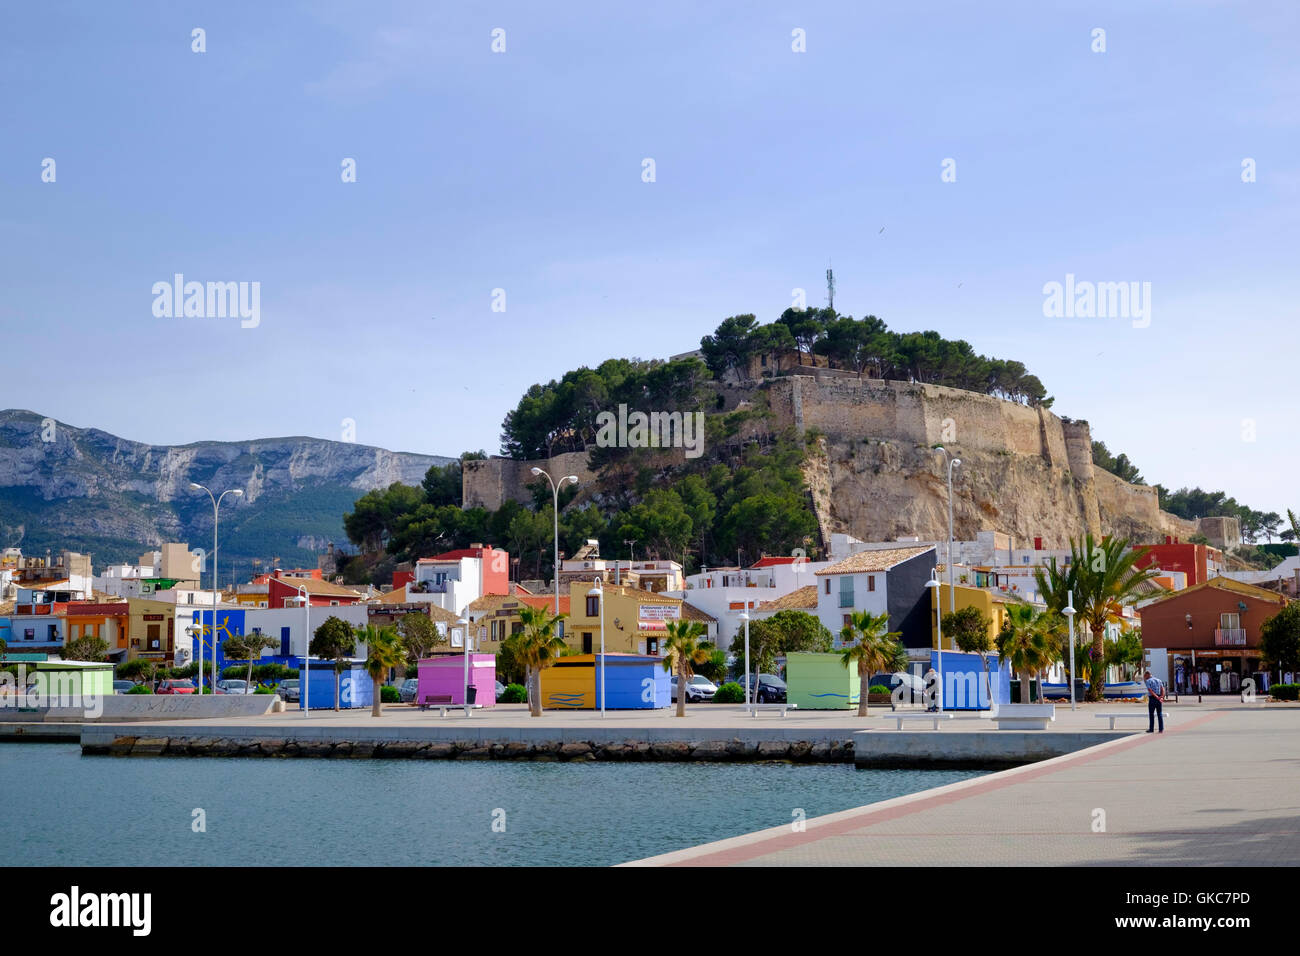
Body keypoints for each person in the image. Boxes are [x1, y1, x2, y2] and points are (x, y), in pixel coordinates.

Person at [1144, 669, 1164, 733]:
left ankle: (1151, 729)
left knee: (1151, 714)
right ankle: (1161, 729)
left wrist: (1156, 697)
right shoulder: (1158, 680)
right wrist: (1161, 697)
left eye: (1145, 676)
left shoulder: (1148, 681)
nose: (1144, 677)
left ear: (1147, 674)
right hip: (1159, 698)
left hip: (1153, 698)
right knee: (1159, 714)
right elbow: (1162, 689)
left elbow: (1150, 690)